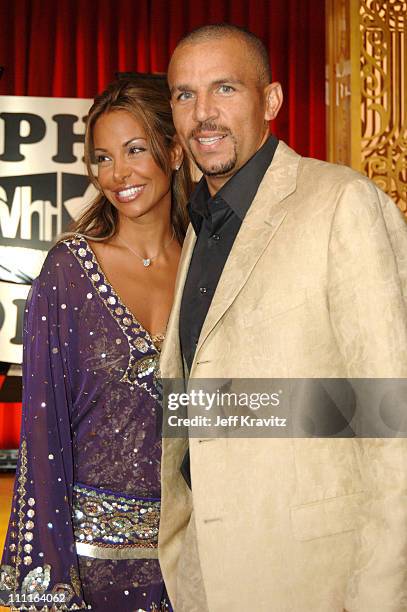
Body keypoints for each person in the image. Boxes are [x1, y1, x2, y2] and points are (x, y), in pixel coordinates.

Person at [157, 24, 407, 612]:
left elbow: (392, 418)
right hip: (206, 573)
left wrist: (379, 596)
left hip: (315, 579)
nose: (203, 114)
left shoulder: (341, 203)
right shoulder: (201, 225)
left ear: (270, 101)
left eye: (225, 89)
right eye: (185, 95)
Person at [0, 78, 193, 611]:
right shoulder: (68, 271)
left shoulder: (208, 265)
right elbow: (42, 429)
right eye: (103, 158)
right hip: (94, 566)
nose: (117, 174)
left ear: (174, 151)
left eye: (135, 150)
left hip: (195, 559)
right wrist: (53, 577)